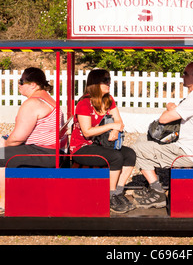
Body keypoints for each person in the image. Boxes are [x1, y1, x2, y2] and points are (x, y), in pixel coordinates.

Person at [132, 61, 193, 209]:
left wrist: (169, 107)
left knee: (136, 150)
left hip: (187, 152)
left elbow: (164, 119)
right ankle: (154, 187)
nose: (183, 76)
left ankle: (158, 193)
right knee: (142, 139)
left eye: (186, 74)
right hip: (190, 147)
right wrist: (172, 108)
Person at [69, 68, 136, 214]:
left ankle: (118, 191)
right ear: (95, 83)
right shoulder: (84, 104)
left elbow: (119, 121)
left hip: (99, 144)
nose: (108, 83)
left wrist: (115, 130)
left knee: (130, 154)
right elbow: (87, 132)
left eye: (109, 79)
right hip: (81, 148)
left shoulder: (108, 100)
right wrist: (111, 126)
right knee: (115, 157)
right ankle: (110, 196)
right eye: (105, 80)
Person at [0, 67, 65, 214]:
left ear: (33, 85)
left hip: (42, 153)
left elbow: (17, 138)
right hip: (51, 152)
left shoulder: (33, 103)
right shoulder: (50, 101)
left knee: (0, 155)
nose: (19, 85)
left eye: (21, 81)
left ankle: (3, 203)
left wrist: (5, 143)